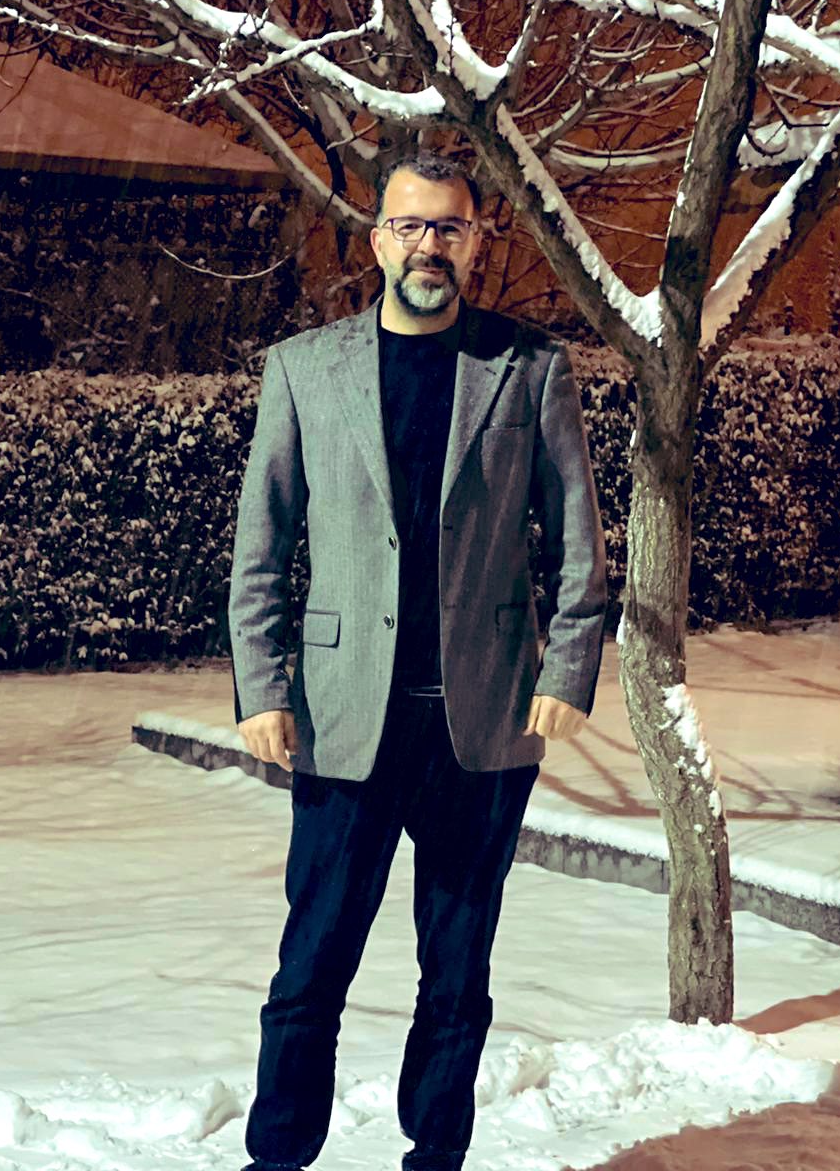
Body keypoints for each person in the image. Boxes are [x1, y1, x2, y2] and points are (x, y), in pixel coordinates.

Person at [226, 150, 607, 1171]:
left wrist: (567, 670)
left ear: (476, 242)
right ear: (377, 240)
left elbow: (577, 538)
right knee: (310, 968)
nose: (428, 244)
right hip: (345, 718)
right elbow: (261, 544)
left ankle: (434, 1156)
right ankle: (277, 1156)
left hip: (480, 726)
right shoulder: (304, 370)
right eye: (410, 225)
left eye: (449, 227)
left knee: (457, 977)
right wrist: (262, 685)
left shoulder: (528, 369)